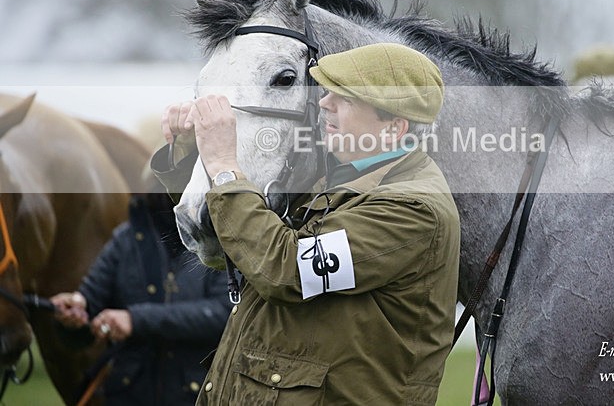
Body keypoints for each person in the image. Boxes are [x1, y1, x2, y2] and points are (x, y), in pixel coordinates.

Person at [157, 42, 460, 405]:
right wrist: (191, 153)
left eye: (345, 98)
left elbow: (285, 270)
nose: (324, 103)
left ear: (394, 127)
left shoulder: (411, 209)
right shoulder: (339, 178)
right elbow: (238, 241)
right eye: (328, 91)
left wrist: (224, 165)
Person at [51, 177, 231, 406]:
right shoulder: (125, 239)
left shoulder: (221, 242)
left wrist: (135, 320)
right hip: (128, 396)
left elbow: (223, 314)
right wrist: (74, 313)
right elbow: (87, 311)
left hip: (199, 397)